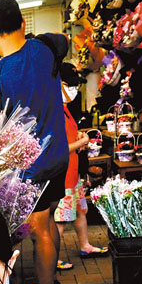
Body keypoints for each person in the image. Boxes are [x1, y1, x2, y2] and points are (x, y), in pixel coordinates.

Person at [0, 0, 70, 284]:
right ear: (22, 24)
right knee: (51, 221)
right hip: (60, 156)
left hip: (33, 168)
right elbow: (64, 41)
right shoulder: (46, 48)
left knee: (41, 230)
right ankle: (52, 280)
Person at [53, 63, 106, 261]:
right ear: (58, 84)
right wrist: (82, 142)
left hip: (73, 173)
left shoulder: (66, 109)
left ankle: (85, 245)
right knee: (60, 219)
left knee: (81, 210)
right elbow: (58, 149)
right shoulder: (55, 112)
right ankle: (53, 258)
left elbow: (68, 138)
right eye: (70, 85)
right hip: (64, 175)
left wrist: (78, 137)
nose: (74, 90)